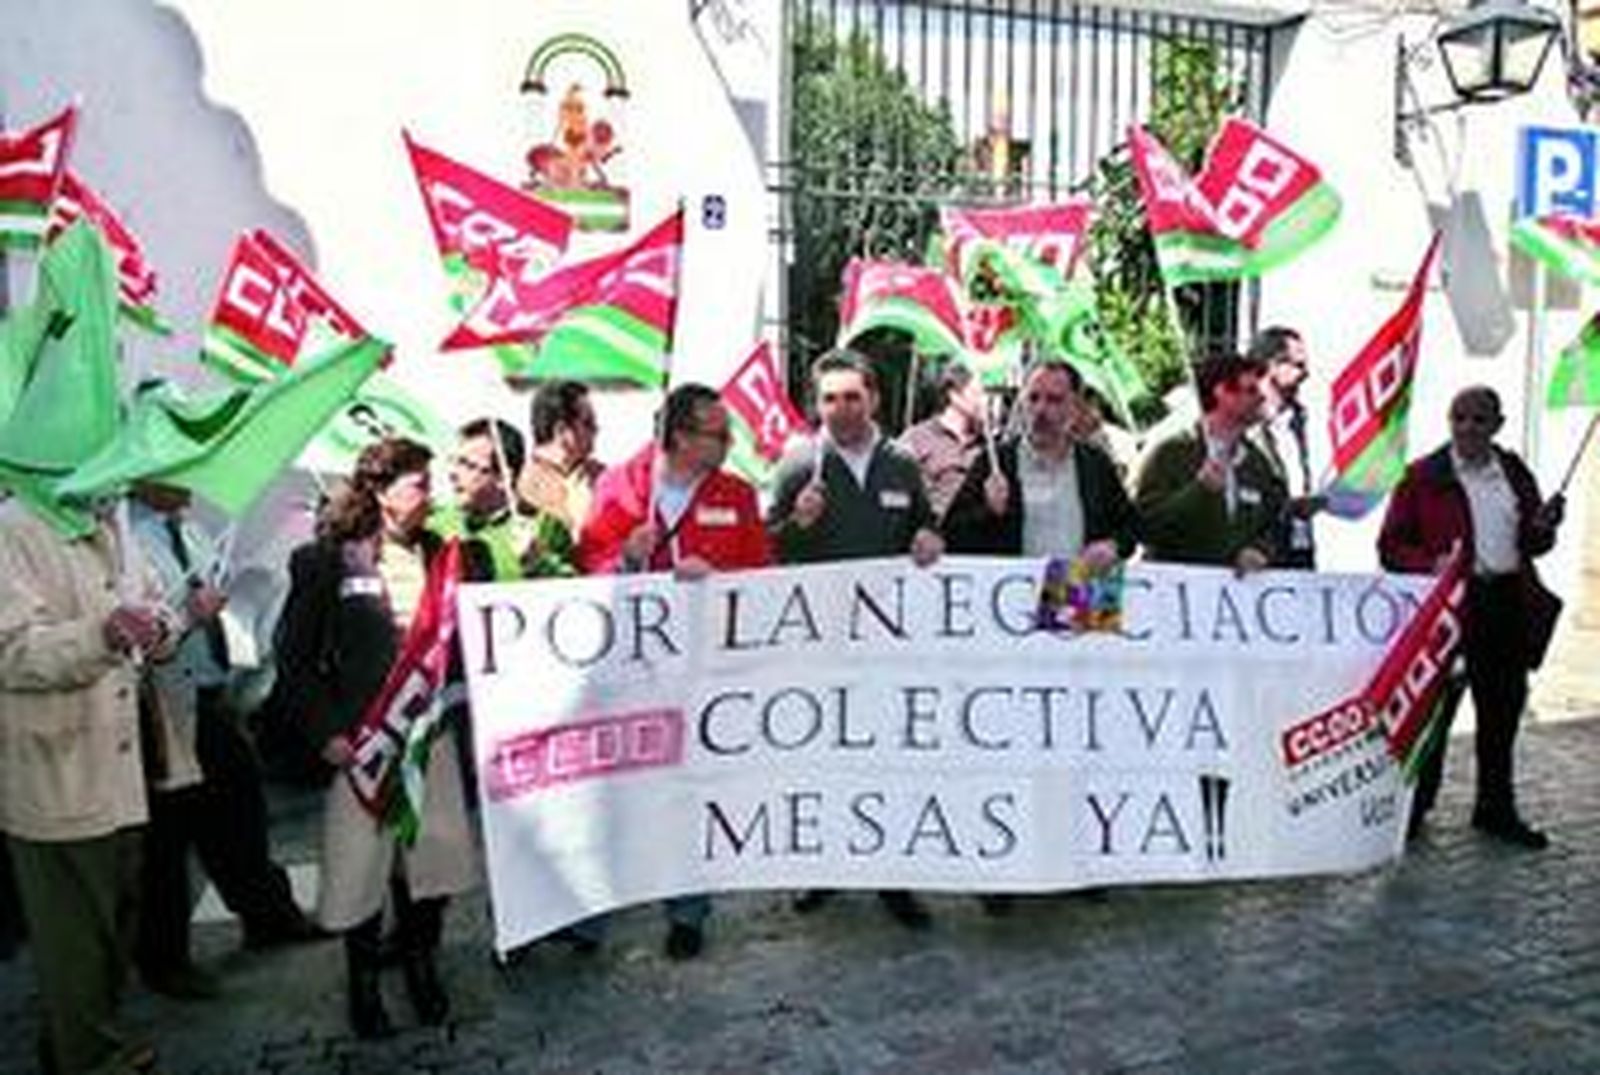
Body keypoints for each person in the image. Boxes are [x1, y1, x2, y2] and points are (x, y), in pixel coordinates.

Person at [275, 439, 477, 1038]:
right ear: (382, 492)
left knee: (430, 865)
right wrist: (326, 733)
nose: (430, 494)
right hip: (363, 742)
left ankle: (421, 966)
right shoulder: (327, 561)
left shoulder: (447, 555)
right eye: (418, 484)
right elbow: (295, 659)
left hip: (431, 737)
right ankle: (363, 986)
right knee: (361, 870)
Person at [574, 383, 770, 958]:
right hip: (627, 668)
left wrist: (719, 580)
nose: (729, 443)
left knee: (688, 791)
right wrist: (627, 557)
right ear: (680, 437)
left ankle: (687, 911)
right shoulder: (619, 487)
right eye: (718, 434)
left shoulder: (737, 494)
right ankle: (592, 918)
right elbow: (586, 569)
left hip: (700, 669)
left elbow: (761, 573)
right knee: (615, 793)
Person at [0, 496, 178, 1074]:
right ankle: (87, 1056)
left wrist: (161, 628)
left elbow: (157, 602)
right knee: (73, 939)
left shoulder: (112, 518)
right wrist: (101, 634)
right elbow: (11, 652)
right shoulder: (12, 528)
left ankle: (78, 1042)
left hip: (123, 767)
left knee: (115, 921)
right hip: (57, 774)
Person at [767, 348, 943, 930]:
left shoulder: (901, 463)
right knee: (825, 758)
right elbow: (767, 550)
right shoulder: (799, 465)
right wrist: (798, 524)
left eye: (851, 397)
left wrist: (928, 538)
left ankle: (893, 875)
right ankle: (824, 867)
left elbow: (923, 526)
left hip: (889, 642)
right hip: (820, 643)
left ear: (874, 399)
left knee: (889, 757)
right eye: (828, 399)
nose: (840, 409)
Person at [130, 482, 320, 1004]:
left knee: (239, 809)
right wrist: (188, 613)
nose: (188, 482)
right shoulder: (125, 537)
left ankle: (268, 916)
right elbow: (138, 621)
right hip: (162, 702)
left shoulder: (189, 530)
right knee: (167, 835)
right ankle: (164, 959)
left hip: (212, 694)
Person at [1378, 386, 1564, 849]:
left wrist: (1544, 526)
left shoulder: (1513, 472)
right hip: (1451, 609)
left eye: (1479, 420)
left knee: (1501, 715)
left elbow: (1532, 542)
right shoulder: (1423, 476)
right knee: (1436, 716)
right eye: (1459, 418)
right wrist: (1430, 564)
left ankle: (1495, 809)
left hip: (1505, 603)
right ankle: (1415, 809)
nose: (1468, 428)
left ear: (1497, 425)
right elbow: (1391, 546)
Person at [944, 360, 1139, 562]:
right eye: (1033, 398)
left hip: (1079, 580)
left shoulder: (1094, 464)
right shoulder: (996, 463)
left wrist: (1112, 546)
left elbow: (1130, 528)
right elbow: (951, 536)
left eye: (1054, 400)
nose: (1040, 410)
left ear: (1075, 407)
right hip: (1015, 581)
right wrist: (987, 510)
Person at [1134, 350, 1286, 570]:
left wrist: (1260, 549)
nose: (1261, 398)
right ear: (1221, 392)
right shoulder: (1172, 452)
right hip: (1178, 584)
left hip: (1235, 586)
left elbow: (1272, 522)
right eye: (1251, 390)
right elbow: (1146, 526)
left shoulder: (1257, 461)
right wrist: (1199, 490)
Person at [434, 417, 576, 582]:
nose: (453, 473)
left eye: (467, 465)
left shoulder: (544, 527)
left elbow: (575, 589)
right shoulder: (436, 523)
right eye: (455, 461)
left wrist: (538, 563)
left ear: (503, 477)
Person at [1246, 327, 1323, 569]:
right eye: (1298, 365)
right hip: (1255, 557)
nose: (1306, 374)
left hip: (1298, 551)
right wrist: (1286, 508)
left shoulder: (1299, 420)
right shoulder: (1243, 423)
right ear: (1272, 366)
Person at [896, 360, 986, 521]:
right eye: (978, 394)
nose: (985, 401)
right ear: (954, 395)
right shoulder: (917, 439)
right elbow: (890, 491)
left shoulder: (987, 446)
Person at [516, 380, 604, 541]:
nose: (596, 430)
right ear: (561, 431)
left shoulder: (600, 473)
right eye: (588, 424)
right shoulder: (528, 486)